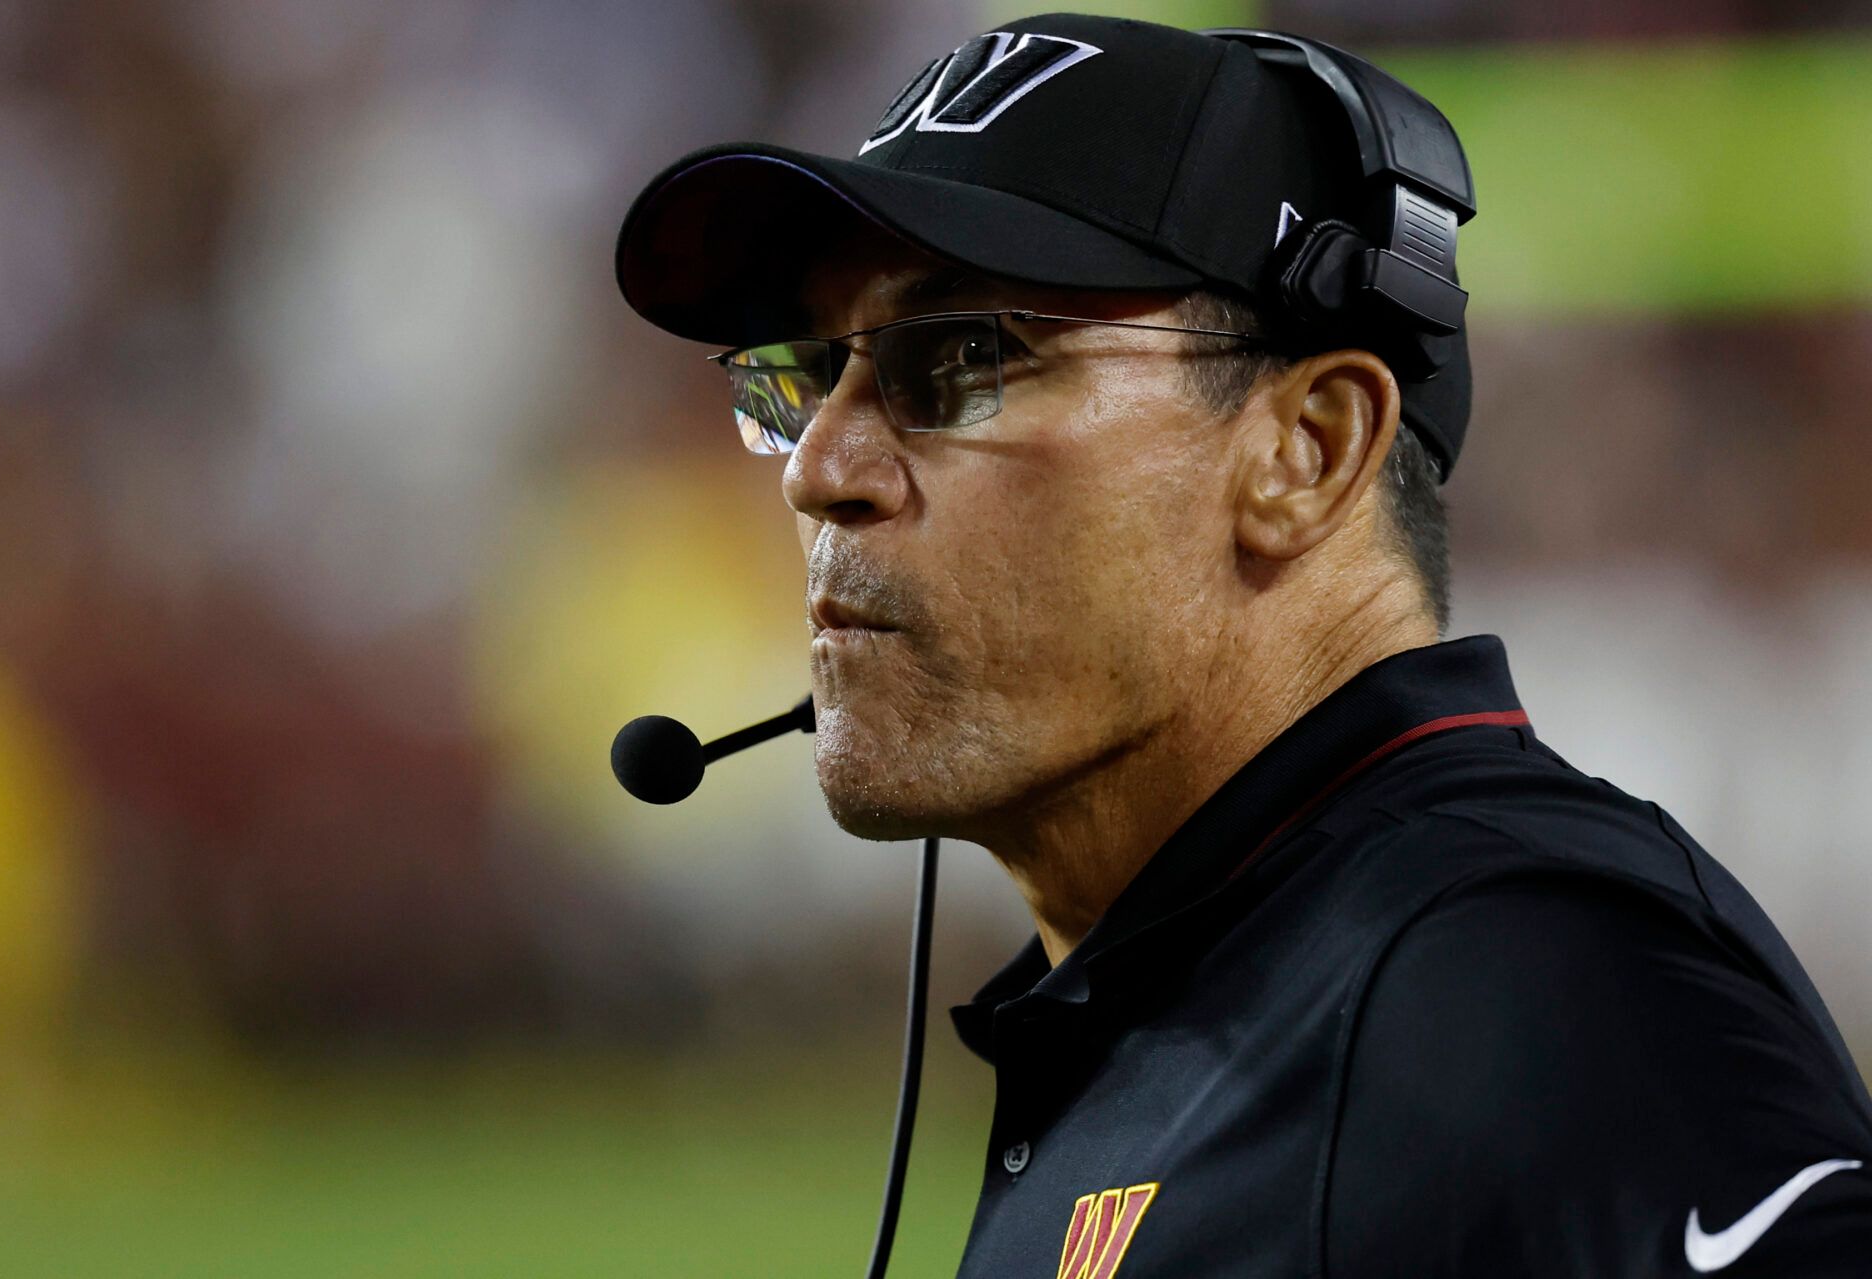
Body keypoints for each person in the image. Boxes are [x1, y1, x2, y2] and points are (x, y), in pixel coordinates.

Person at [613, 13, 1872, 1277]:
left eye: (959, 358)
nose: (821, 467)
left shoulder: (1514, 979)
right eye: (810, 372)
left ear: (1305, 450)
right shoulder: (1202, 983)